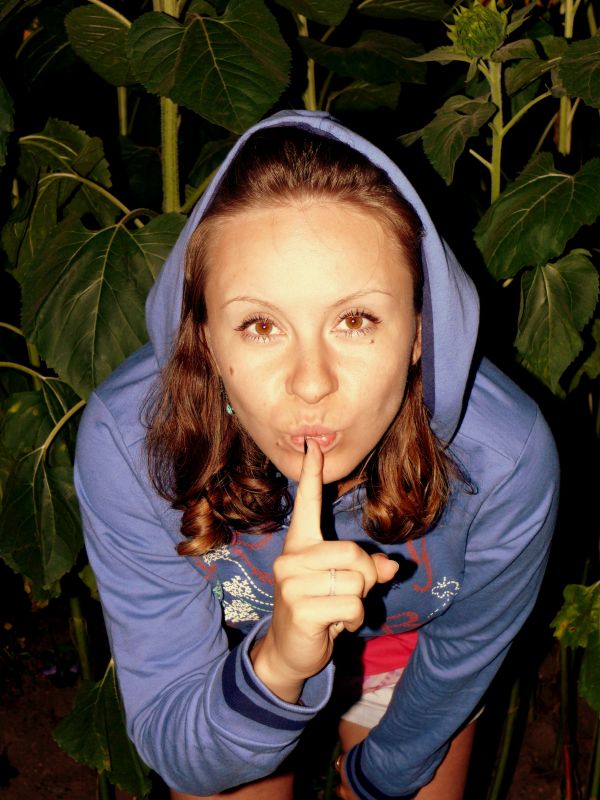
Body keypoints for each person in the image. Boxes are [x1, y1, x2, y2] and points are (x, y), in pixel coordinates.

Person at [74, 110, 559, 800]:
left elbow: (461, 657)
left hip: (407, 647)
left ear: (421, 332)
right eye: (259, 325)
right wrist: (276, 665)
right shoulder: (133, 445)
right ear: (204, 339)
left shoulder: (504, 460)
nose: (310, 383)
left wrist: (378, 779)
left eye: (356, 320)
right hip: (230, 651)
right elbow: (183, 746)